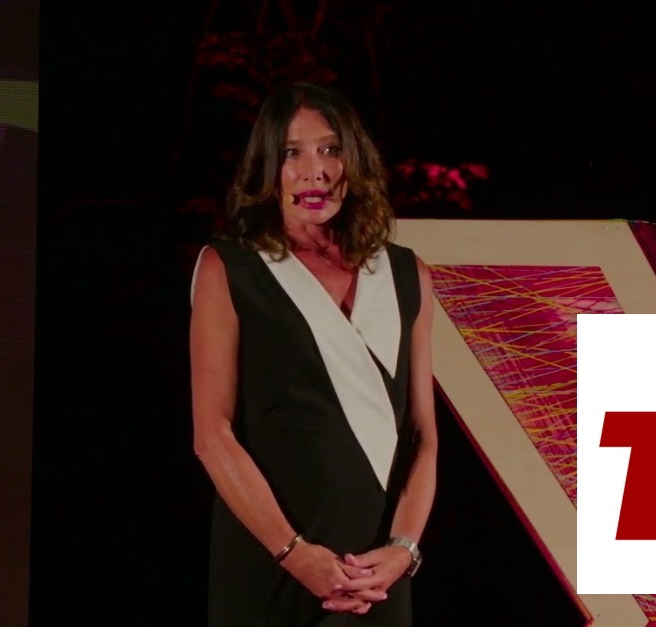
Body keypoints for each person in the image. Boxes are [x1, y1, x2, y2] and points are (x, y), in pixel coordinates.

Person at [189, 81, 438, 626]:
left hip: (377, 580)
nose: (314, 171)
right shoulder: (231, 269)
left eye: (330, 150)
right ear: (267, 167)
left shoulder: (405, 274)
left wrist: (403, 551)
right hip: (271, 570)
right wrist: (294, 554)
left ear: (354, 161)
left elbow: (423, 437)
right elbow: (212, 436)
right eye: (291, 153)